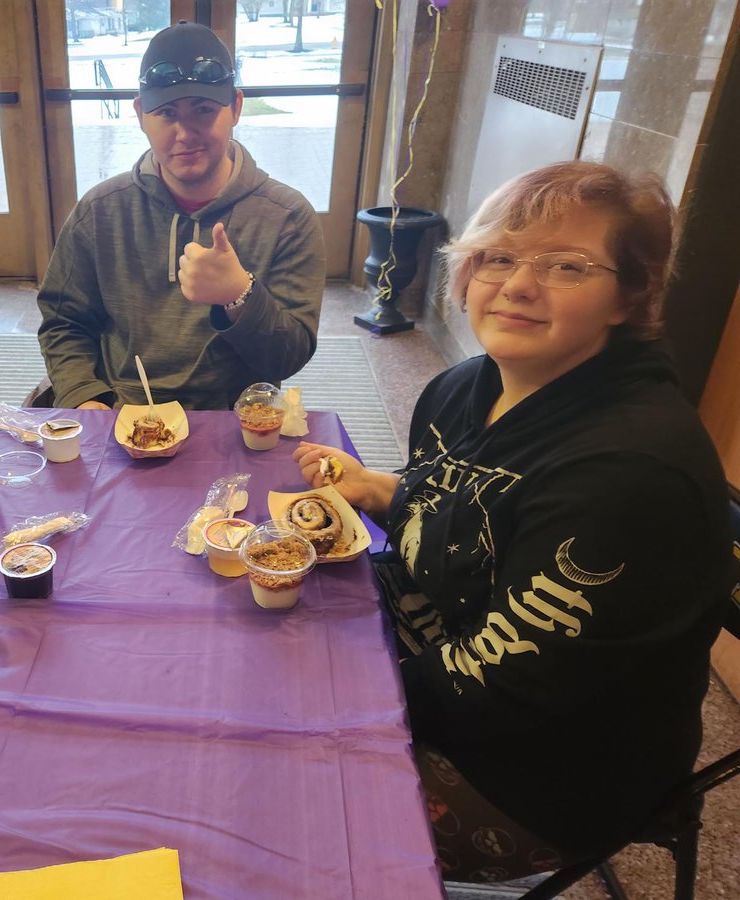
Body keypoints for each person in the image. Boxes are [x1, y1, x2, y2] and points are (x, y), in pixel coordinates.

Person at [293, 161, 734, 881]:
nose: (518, 285)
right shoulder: (468, 385)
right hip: (429, 663)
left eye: (567, 265)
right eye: (498, 256)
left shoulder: (628, 475)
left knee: (266, 802)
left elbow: (491, 694)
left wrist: (325, 689)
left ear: (629, 297)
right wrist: (389, 491)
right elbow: (466, 506)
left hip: (529, 774)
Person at [37, 20, 325, 410]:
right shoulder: (100, 211)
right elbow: (63, 322)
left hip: (234, 418)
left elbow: (287, 358)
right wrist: (85, 398)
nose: (185, 133)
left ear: (236, 107)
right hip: (122, 410)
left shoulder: (288, 217)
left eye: (204, 110)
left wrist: (240, 295)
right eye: (167, 113)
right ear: (140, 114)